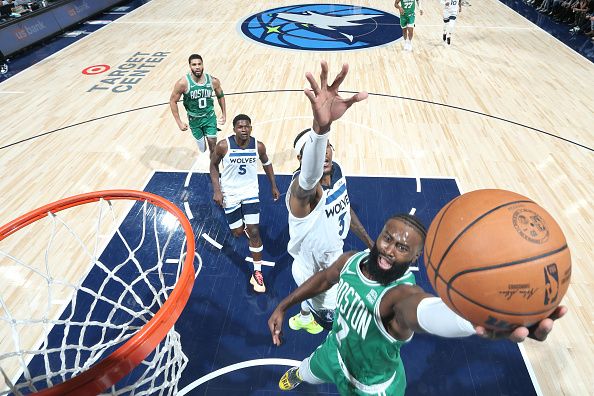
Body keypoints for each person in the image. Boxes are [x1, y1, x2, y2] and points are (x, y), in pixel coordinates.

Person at [268, 214, 568, 394]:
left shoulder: (399, 297)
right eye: (388, 239)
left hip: (372, 388)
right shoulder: (353, 260)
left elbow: (427, 312)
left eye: (402, 248)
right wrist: (284, 305)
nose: (389, 250)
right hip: (334, 352)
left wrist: (484, 320)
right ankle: (299, 375)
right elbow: (324, 278)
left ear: (414, 259)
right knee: (307, 370)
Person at [285, 68, 374, 334]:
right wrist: (321, 129)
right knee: (338, 329)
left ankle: (303, 316)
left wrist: (370, 243)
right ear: (301, 160)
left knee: (307, 302)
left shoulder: (339, 171)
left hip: (327, 260)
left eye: (327, 146)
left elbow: (345, 210)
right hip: (315, 274)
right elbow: (309, 177)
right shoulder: (301, 194)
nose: (324, 153)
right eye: (314, 150)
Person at [210, 114, 280, 293]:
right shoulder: (224, 146)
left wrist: (273, 185)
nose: (244, 129)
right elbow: (213, 166)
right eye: (240, 127)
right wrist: (217, 190)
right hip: (230, 193)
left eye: (247, 126)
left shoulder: (258, 145)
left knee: (255, 231)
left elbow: (267, 163)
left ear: (251, 128)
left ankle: (257, 272)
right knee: (237, 233)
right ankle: (244, 227)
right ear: (234, 129)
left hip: (250, 192)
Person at [170, 54, 226, 155]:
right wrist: (179, 122)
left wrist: (224, 114)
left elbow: (220, 95)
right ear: (190, 66)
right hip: (194, 120)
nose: (197, 67)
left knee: (213, 146)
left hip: (209, 118)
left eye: (199, 64)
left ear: (203, 65)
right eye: (194, 64)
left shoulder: (213, 81)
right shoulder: (182, 83)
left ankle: (213, 167)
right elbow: (173, 101)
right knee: (202, 148)